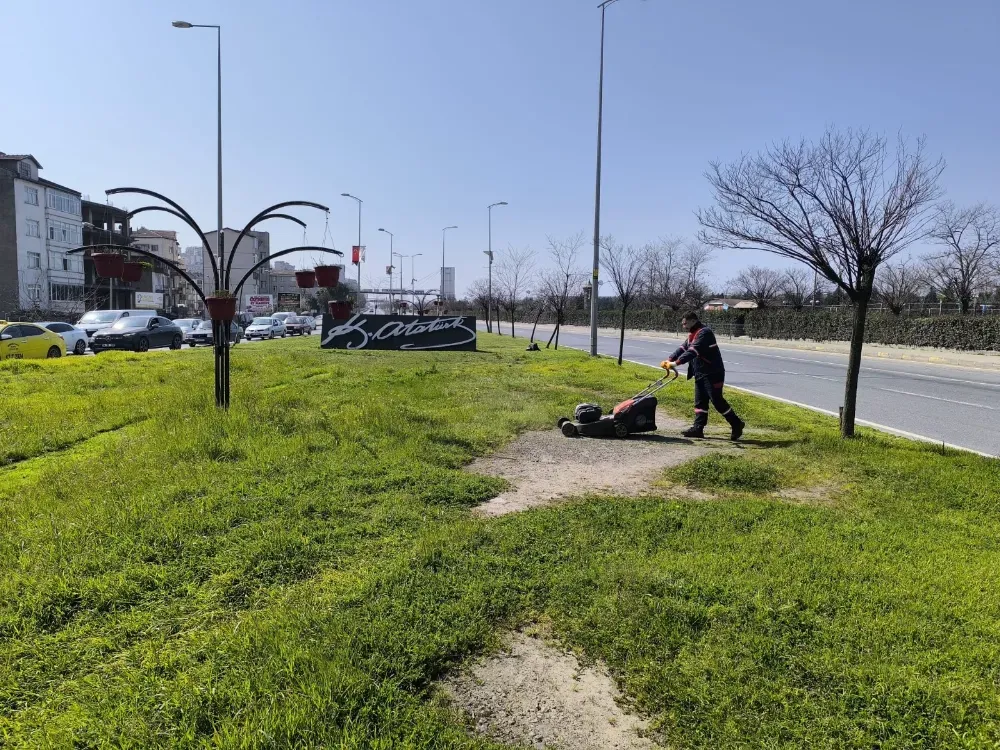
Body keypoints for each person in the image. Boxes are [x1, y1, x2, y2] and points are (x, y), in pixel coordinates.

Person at [661, 311, 745, 440]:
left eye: (685, 324)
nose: (684, 327)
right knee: (700, 402)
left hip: (713, 372)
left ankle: (736, 423)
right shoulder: (693, 334)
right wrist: (669, 359)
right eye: (683, 324)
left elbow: (693, 351)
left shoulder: (704, 333)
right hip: (700, 372)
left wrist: (676, 363)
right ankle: (698, 428)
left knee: (717, 401)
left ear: (693, 321)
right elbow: (683, 348)